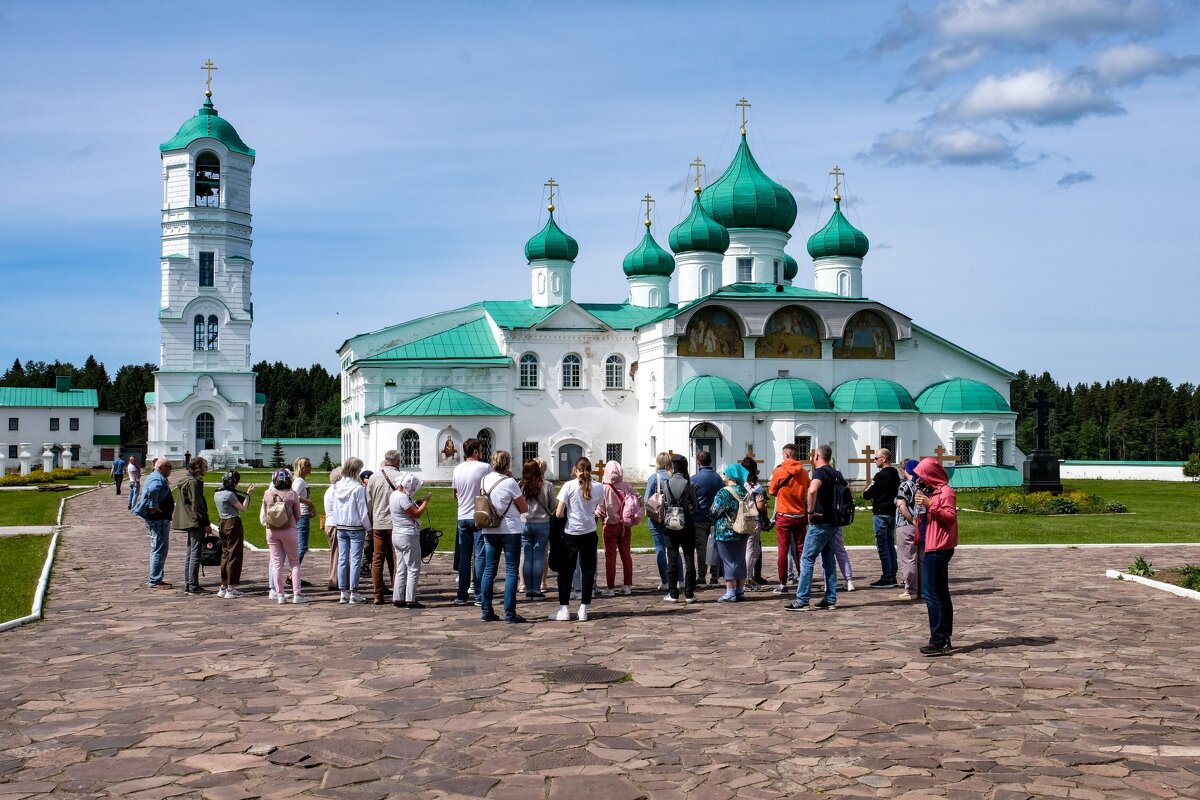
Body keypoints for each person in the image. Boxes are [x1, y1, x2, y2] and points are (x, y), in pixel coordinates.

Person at [786, 444, 839, 612]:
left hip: (820, 522)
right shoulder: (836, 473)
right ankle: (830, 598)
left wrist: (810, 511)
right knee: (829, 560)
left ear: (817, 457)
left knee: (807, 559)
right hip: (833, 521)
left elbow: (812, 489)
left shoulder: (820, 472)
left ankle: (802, 600)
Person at [914, 458, 958, 655]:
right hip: (933, 544)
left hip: (939, 547)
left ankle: (939, 638)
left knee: (931, 592)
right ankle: (944, 636)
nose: (920, 479)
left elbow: (950, 518)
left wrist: (931, 504)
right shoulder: (933, 491)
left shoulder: (945, 492)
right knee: (940, 592)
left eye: (923, 475)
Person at [551, 456, 604, 622]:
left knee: (566, 571)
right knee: (588, 570)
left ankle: (564, 609)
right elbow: (600, 508)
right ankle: (584, 608)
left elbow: (559, 513)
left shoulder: (569, 485)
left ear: (576, 469)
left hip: (571, 533)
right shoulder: (598, 487)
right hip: (589, 531)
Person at [478, 450, 528, 623]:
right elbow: (524, 508)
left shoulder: (484, 480)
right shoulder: (510, 482)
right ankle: (509, 612)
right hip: (510, 528)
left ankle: (486, 610)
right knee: (511, 570)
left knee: (489, 570)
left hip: (490, 528)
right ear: (507, 464)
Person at [710, 463, 763, 603]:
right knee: (740, 560)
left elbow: (714, 510)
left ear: (730, 476)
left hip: (725, 531)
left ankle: (730, 592)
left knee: (728, 561)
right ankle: (740, 590)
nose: (724, 476)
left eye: (726, 474)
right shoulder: (744, 491)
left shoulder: (724, 492)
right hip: (742, 529)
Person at [451, 438, 492, 606]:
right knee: (480, 556)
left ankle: (461, 595)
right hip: (479, 513)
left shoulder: (457, 469)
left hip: (463, 515)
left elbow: (456, 494)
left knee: (464, 557)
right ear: (476, 452)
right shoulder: (484, 467)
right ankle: (480, 595)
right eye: (480, 450)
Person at [768, 443, 810, 594]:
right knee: (801, 550)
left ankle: (782, 583)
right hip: (800, 514)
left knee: (783, 550)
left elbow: (772, 491)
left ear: (786, 455)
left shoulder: (779, 471)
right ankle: (803, 580)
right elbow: (807, 489)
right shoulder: (804, 473)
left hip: (784, 515)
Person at [327, 457, 370, 604]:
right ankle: (354, 592)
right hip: (355, 526)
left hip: (341, 526)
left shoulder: (337, 486)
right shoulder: (357, 488)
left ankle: (343, 592)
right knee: (355, 559)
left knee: (343, 559)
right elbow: (362, 511)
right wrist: (368, 527)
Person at [263, 468, 305, 605]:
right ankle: (297, 594)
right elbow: (298, 515)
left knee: (276, 563)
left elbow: (265, 513)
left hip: (272, 530)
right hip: (289, 529)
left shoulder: (267, 494)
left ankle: (279, 594)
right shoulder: (292, 494)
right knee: (294, 563)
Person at [389, 471, 431, 608]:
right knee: (413, 568)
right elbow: (416, 513)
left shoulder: (394, 495)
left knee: (401, 567)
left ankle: (398, 597)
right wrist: (425, 503)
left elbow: (409, 509)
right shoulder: (402, 497)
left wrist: (416, 503)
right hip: (408, 535)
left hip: (397, 534)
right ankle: (410, 599)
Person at [366, 452, 403, 605]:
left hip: (378, 522)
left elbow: (368, 501)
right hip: (396, 523)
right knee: (397, 560)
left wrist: (372, 518)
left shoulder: (373, 477)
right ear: (398, 462)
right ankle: (397, 593)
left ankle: (377, 595)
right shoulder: (401, 477)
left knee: (377, 559)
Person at [171, 456, 210, 596]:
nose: (207, 469)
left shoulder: (186, 481)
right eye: (205, 466)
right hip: (195, 521)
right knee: (195, 554)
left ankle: (189, 584)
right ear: (199, 467)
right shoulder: (193, 483)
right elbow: (198, 505)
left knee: (190, 553)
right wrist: (206, 523)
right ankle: (193, 586)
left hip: (188, 520)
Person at [662, 454, 699, 603]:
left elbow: (665, 502)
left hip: (671, 522)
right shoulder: (688, 484)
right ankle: (689, 593)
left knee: (672, 558)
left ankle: (673, 593)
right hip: (686, 523)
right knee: (689, 558)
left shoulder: (667, 483)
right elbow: (695, 506)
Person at [863, 448, 901, 589]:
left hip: (881, 513)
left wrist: (866, 491)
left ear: (884, 459)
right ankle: (892, 574)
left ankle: (886, 577)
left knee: (883, 546)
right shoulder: (895, 474)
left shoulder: (881, 476)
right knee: (890, 544)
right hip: (892, 512)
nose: (874, 460)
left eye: (876, 458)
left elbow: (867, 494)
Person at [213, 470, 254, 599]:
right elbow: (243, 508)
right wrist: (248, 495)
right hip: (233, 522)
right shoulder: (230, 495)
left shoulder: (217, 493)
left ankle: (223, 586)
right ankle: (231, 587)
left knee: (225, 555)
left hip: (222, 523)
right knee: (234, 555)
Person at [600, 460, 636, 596]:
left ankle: (610, 587)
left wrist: (595, 517)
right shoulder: (625, 486)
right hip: (625, 526)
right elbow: (638, 497)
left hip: (610, 525)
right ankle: (627, 585)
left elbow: (601, 508)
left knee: (610, 557)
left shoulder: (604, 488)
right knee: (626, 555)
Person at [520, 459, 553, 600]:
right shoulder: (547, 485)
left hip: (525, 522)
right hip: (542, 522)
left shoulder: (520, 485)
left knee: (527, 556)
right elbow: (552, 506)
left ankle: (527, 588)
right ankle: (536, 588)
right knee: (539, 556)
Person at [643, 451, 677, 590]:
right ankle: (679, 579)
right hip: (672, 516)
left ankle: (665, 580)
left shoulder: (654, 478)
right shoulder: (673, 478)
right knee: (674, 548)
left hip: (657, 517)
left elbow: (646, 500)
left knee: (660, 549)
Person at [139, 457, 175, 589]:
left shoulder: (155, 476)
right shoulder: (157, 479)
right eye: (169, 467)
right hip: (158, 519)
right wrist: (153, 506)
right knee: (159, 549)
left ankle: (156, 578)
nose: (171, 469)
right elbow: (153, 490)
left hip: (159, 519)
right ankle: (155, 579)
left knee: (158, 548)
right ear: (161, 468)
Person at [690, 450, 724, 586]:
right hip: (715, 519)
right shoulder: (718, 478)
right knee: (715, 547)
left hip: (698, 517)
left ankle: (702, 577)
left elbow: (691, 498)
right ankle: (714, 577)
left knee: (701, 548)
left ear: (698, 462)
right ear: (711, 461)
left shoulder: (694, 479)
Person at [894, 459, 925, 601]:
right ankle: (922, 589)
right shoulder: (923, 485)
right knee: (920, 560)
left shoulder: (905, 485)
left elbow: (901, 505)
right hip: (922, 525)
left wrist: (911, 520)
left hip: (906, 525)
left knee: (908, 559)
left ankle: (911, 590)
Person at [740, 456, 767, 588]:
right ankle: (747, 578)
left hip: (740, 520)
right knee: (752, 550)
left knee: (743, 550)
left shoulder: (739, 484)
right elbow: (760, 505)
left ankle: (744, 576)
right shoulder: (755, 487)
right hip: (753, 520)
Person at [292, 457, 316, 565]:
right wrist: (309, 503)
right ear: (301, 468)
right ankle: (292, 574)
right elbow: (294, 496)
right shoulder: (299, 481)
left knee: (301, 546)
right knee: (302, 546)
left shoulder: (301, 481)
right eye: (308, 465)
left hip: (303, 514)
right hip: (301, 515)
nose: (310, 467)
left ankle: (293, 573)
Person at [323, 467, 343, 590]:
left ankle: (337, 578)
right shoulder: (335, 491)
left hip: (330, 523)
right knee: (337, 553)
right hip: (335, 523)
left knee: (336, 552)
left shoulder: (329, 490)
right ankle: (335, 580)